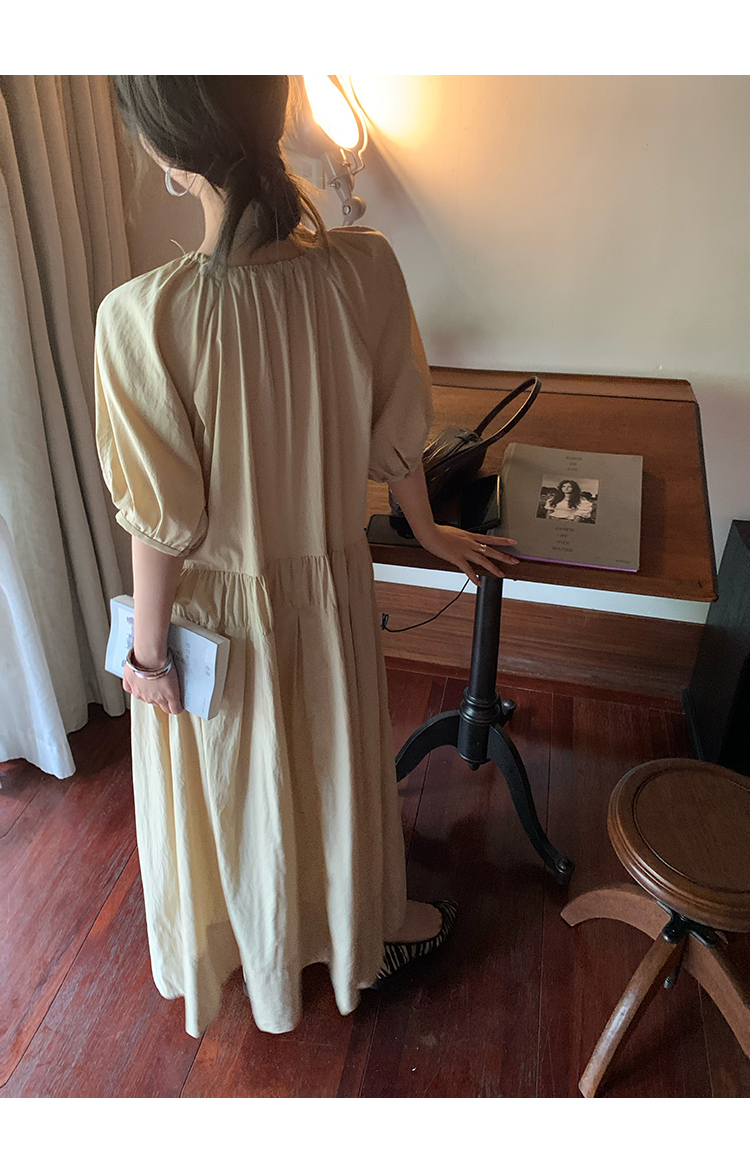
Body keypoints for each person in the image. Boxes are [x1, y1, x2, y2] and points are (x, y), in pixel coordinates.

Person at [93, 76, 520, 1038]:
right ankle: (362, 927)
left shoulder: (141, 318)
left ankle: (248, 942)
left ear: (168, 155)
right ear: (276, 109)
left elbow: (162, 525)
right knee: (331, 765)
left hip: (213, 624)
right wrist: (426, 529)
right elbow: (398, 435)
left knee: (237, 787)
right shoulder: (366, 268)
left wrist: (147, 656)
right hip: (331, 595)